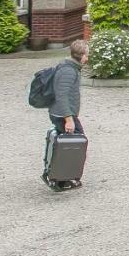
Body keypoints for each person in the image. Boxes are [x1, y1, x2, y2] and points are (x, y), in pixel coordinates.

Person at [47, 38, 89, 190]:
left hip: (62, 114)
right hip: (63, 115)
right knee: (74, 145)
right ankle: (62, 179)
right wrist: (69, 119)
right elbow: (62, 96)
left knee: (67, 145)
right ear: (81, 55)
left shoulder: (70, 67)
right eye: (86, 54)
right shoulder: (68, 71)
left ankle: (61, 178)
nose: (87, 58)